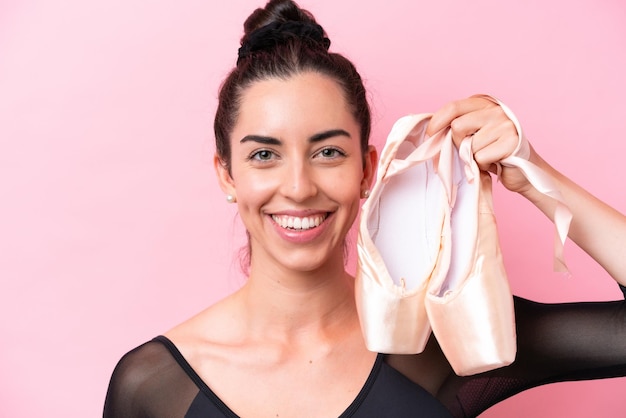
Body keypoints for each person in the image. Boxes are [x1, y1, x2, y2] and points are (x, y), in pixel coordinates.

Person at [103, 0, 626, 417]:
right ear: (226, 175)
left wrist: (535, 174)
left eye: (328, 151)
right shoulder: (152, 385)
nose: (299, 187)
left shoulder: (442, 337)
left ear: (368, 170)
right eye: (264, 154)